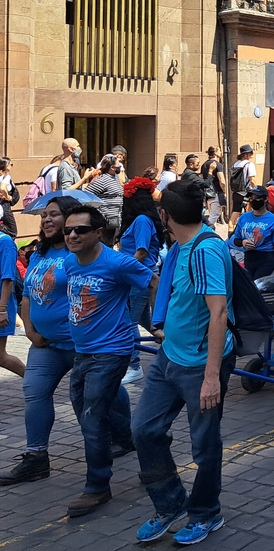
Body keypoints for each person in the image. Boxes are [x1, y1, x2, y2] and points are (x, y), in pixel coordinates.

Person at [132, 181, 236, 545]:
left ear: (165, 215)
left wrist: (211, 378)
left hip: (199, 366)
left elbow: (218, 311)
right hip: (169, 357)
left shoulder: (205, 250)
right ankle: (170, 502)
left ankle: (207, 514)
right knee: (144, 430)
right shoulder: (183, 245)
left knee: (204, 445)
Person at [63, 205, 153, 517]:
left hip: (111, 352)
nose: (72, 235)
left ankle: (97, 486)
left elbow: (153, 283)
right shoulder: (70, 263)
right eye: (68, 230)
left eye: (81, 230)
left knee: (91, 416)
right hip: (83, 352)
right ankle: (152, 460)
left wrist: (163, 323)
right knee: (92, 411)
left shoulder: (117, 263)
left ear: (98, 233)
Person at [0, 197, 79, 485]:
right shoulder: (38, 254)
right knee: (34, 392)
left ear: (70, 219)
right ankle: (36, 459)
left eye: (54, 215)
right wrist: (31, 332)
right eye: (44, 215)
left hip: (81, 345)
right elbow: (27, 297)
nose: (46, 220)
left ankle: (122, 435)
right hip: (45, 346)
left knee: (100, 398)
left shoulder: (80, 253)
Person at [117, 177, 165, 385]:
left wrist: (120, 267)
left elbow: (142, 251)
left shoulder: (142, 221)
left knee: (128, 323)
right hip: (136, 277)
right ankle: (167, 348)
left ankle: (134, 366)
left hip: (140, 277)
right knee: (148, 322)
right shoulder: (140, 221)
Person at [232, 186, 274, 279]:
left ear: (265, 199)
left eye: (257, 198)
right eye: (251, 198)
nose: (253, 201)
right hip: (249, 258)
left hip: (266, 259)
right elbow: (236, 239)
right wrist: (243, 242)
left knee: (259, 287)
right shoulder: (243, 217)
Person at [0, 223, 24, 377]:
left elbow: (8, 278)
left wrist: (2, 309)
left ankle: (35, 385)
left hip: (1, 304)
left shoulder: (5, 242)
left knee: (0, 356)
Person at [84, 154, 124, 245]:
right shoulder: (102, 180)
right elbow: (87, 195)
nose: (120, 167)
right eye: (118, 165)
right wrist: (99, 212)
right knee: (104, 245)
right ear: (112, 168)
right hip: (105, 221)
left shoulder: (114, 179)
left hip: (114, 220)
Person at [229, 144, 257, 232]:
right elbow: (252, 180)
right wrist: (256, 190)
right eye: (250, 153)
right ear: (246, 154)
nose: (251, 154)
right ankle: (248, 232)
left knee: (234, 215)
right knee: (249, 214)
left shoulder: (235, 164)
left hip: (236, 192)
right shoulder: (249, 164)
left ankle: (230, 233)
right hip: (247, 193)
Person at [200, 146, 227, 225]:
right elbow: (222, 181)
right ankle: (205, 230)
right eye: (219, 150)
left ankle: (212, 233)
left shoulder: (204, 165)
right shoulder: (218, 165)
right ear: (215, 153)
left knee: (212, 214)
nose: (221, 152)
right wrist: (224, 191)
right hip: (216, 192)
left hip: (207, 194)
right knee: (215, 214)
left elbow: (202, 178)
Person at [0, 157, 18, 235]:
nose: (11, 166)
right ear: (6, 165)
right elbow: (2, 188)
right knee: (12, 231)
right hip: (4, 205)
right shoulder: (6, 176)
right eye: (11, 164)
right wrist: (8, 197)